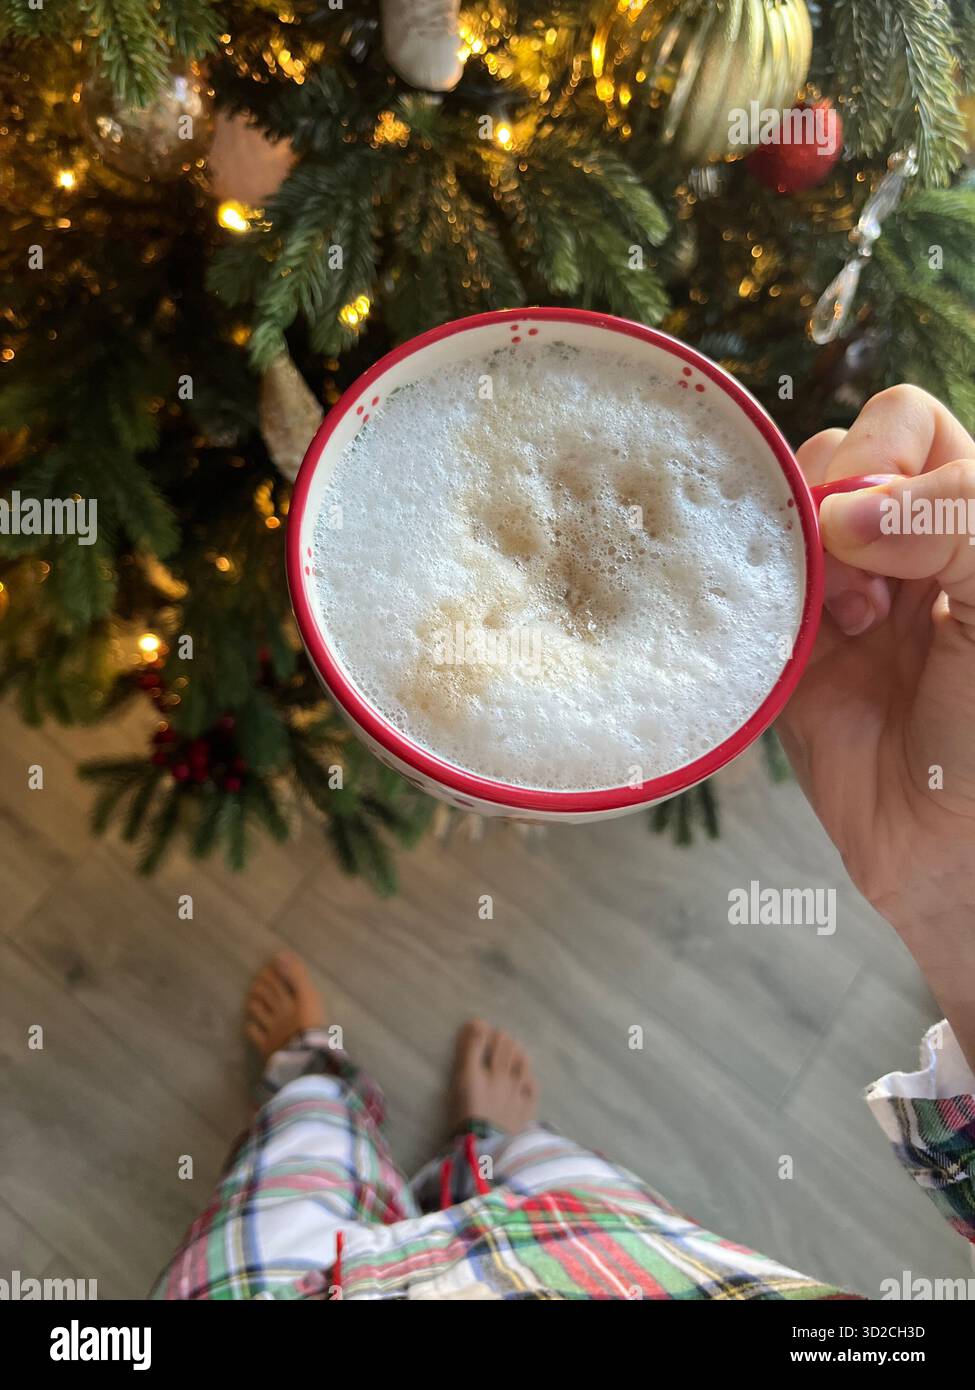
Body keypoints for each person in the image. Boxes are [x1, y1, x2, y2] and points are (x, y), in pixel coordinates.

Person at [153, 385, 975, 1301]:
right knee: (559, 1185)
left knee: (293, 1168)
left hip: (293, 1288)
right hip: (617, 1263)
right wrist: (955, 889)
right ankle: (489, 1153)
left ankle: (314, 1083)